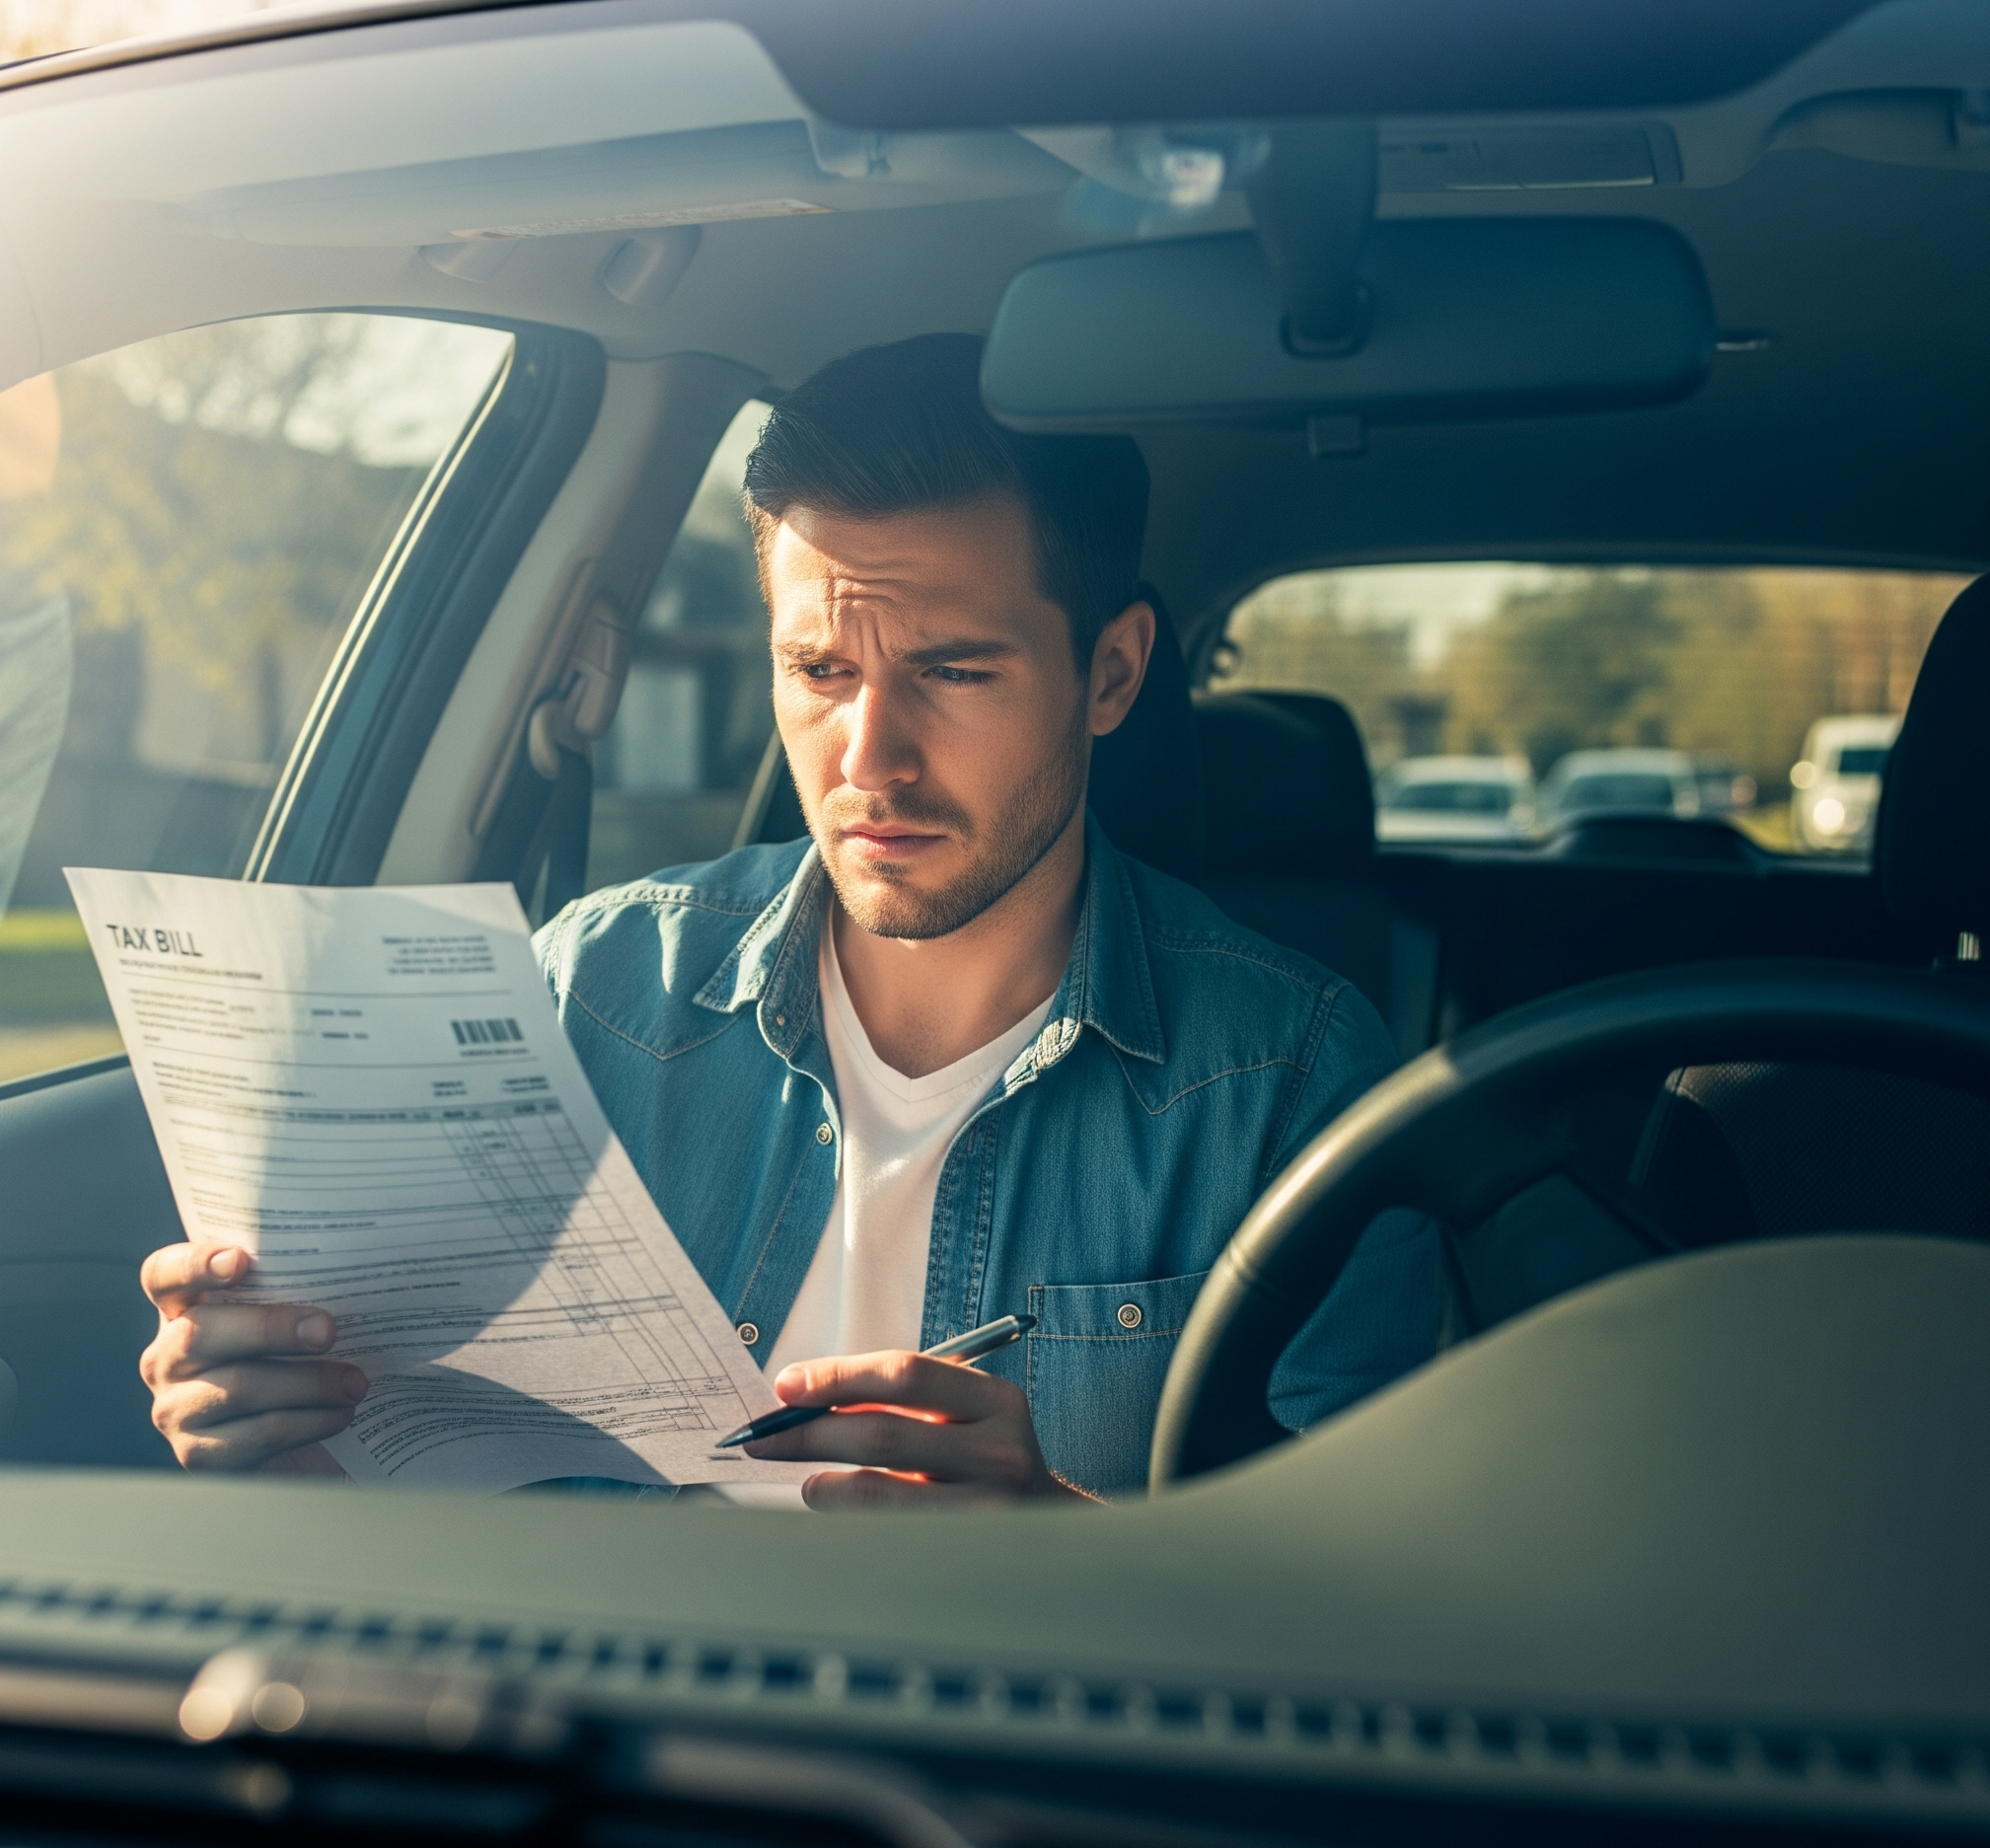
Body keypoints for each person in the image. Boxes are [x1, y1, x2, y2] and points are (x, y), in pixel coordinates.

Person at [137, 334, 1440, 1504]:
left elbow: (1383, 1602)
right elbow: (428, 1503)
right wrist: (291, 1438)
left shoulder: (1292, 1083)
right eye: (819, 670)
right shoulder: (584, 993)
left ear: (1109, 673)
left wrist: (1070, 1559)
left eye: (951, 671)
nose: (871, 755)